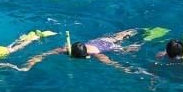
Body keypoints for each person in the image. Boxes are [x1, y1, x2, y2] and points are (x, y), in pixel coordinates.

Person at [17, 29, 150, 74]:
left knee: (126, 50)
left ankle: (142, 40)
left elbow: (111, 63)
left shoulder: (96, 55)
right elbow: (42, 55)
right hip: (101, 40)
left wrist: (125, 70)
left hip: (106, 47)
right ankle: (134, 31)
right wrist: (30, 64)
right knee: (118, 37)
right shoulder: (66, 49)